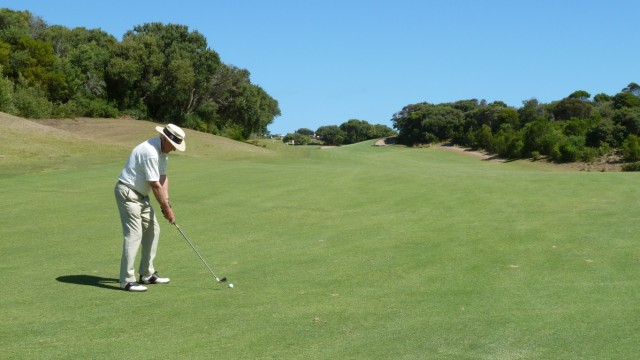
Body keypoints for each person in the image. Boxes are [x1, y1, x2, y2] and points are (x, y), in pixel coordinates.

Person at [114, 123, 186, 292]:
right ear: (165, 139)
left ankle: (147, 274)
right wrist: (167, 210)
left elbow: (162, 178)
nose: (175, 149)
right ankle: (127, 280)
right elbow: (154, 185)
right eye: (174, 145)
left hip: (141, 195)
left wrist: (167, 204)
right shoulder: (150, 152)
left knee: (153, 229)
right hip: (127, 193)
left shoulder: (163, 152)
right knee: (134, 234)